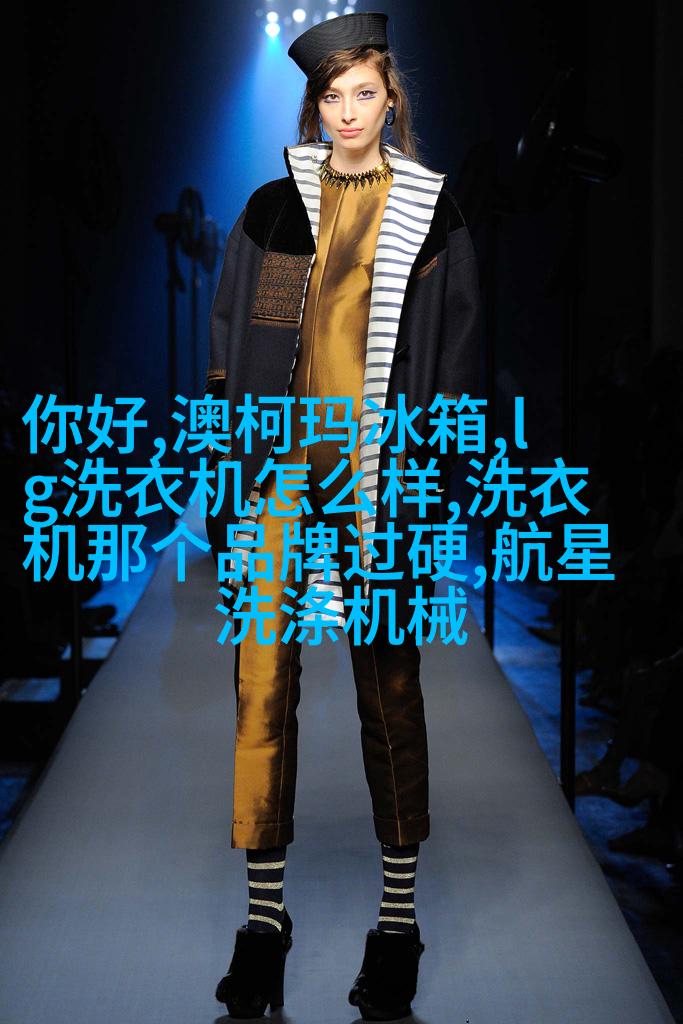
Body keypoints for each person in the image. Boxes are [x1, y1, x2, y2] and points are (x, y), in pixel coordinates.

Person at [206, 11, 482, 1020]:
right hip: (281, 477)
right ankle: (263, 924)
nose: (349, 111)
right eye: (333, 95)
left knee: (389, 688)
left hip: (382, 481)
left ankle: (397, 924)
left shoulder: (433, 214)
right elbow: (232, 344)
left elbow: (454, 364)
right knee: (260, 687)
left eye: (365, 92)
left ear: (390, 97)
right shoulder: (273, 209)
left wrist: (435, 488)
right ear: (313, 105)